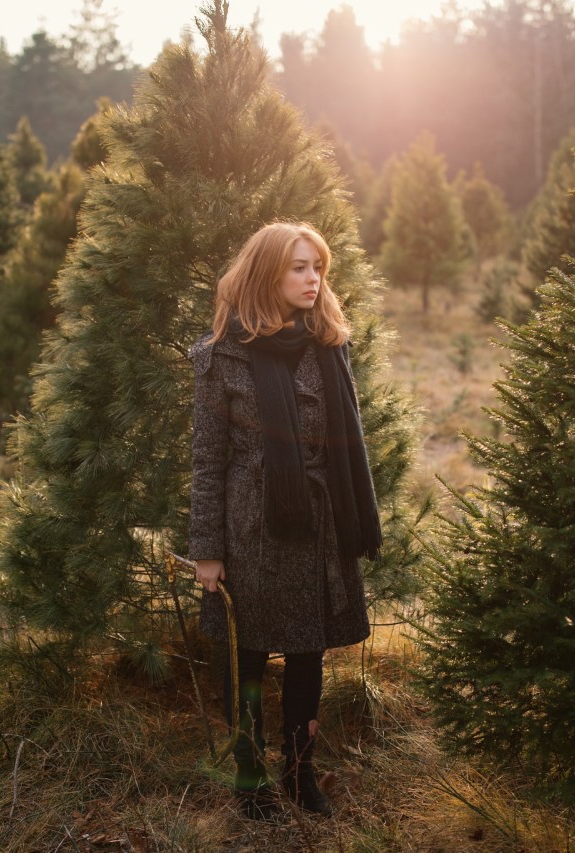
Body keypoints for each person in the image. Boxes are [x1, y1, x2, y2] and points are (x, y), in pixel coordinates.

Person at [188, 221, 381, 820]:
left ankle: (300, 773)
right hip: (252, 527)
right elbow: (207, 459)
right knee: (248, 653)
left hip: (318, 526)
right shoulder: (222, 356)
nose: (312, 279)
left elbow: (348, 443)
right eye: (298, 267)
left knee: (308, 650)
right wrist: (207, 549)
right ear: (267, 273)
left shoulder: (329, 345)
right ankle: (249, 774)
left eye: (317, 267)